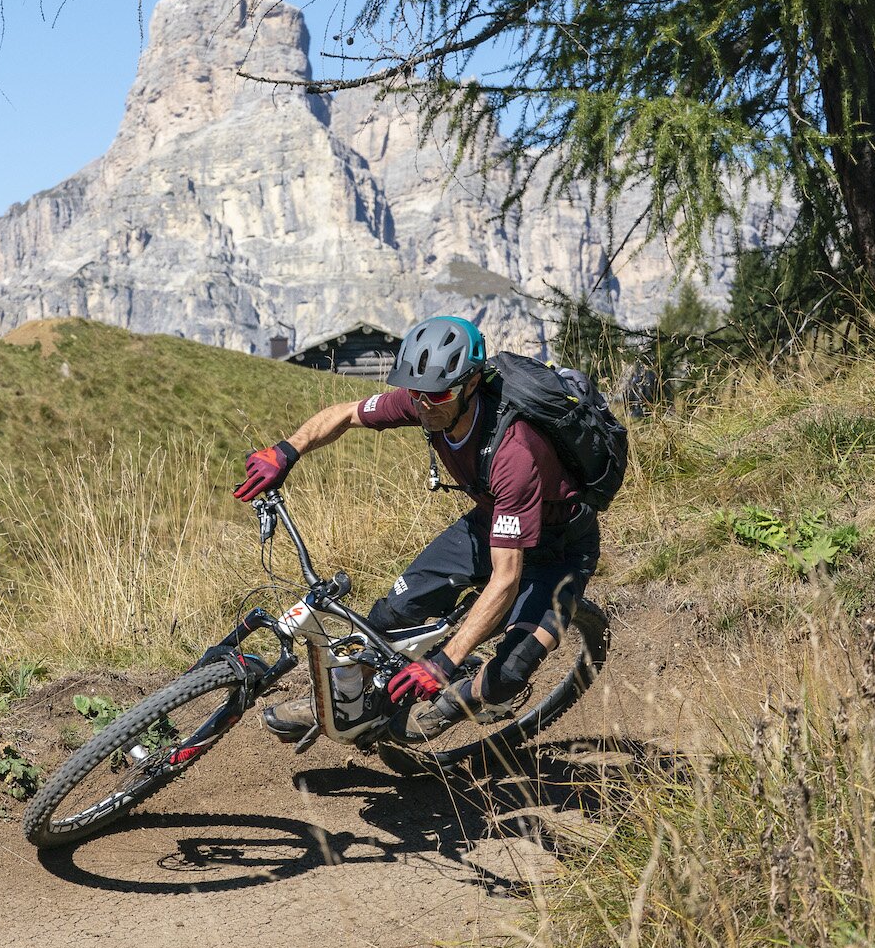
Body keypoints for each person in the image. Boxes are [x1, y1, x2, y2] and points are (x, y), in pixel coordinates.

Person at [233, 315, 600, 742]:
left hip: (560, 549)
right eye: (416, 393)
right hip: (489, 523)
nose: (424, 405)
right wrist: (287, 450)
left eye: (437, 394)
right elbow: (347, 414)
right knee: (390, 613)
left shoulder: (514, 452)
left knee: (511, 673)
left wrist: (445, 662)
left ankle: (452, 703)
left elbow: (506, 579)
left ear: (471, 383)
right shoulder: (426, 401)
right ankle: (335, 703)